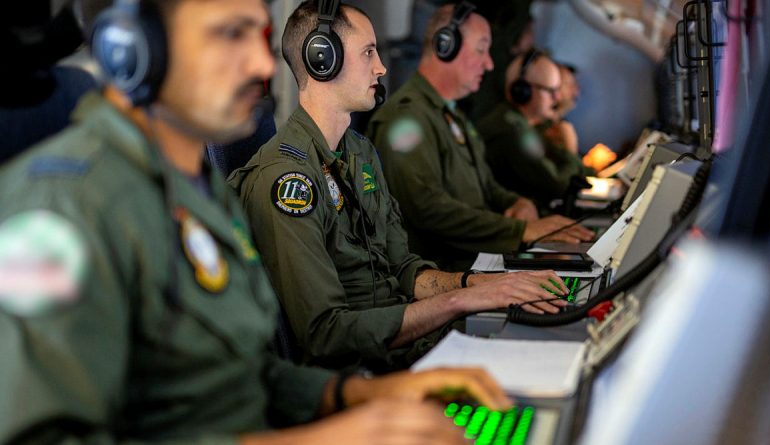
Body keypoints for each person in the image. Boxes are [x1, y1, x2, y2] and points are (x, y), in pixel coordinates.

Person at [0, 0, 513, 443]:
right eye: (230, 34)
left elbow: (245, 373)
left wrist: (360, 394)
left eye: (262, 35)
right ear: (133, 49)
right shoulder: (60, 208)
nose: (260, 64)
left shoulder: (197, 191)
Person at [229, 0, 570, 372]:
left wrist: (478, 285)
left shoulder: (359, 153)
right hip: (367, 375)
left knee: (558, 349)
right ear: (322, 59)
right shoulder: (287, 182)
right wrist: (459, 302)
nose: (382, 67)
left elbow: (403, 269)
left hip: (408, 348)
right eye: (368, 52)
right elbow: (327, 335)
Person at [366, 2, 594, 271]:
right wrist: (520, 230)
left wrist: (516, 202)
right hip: (442, 276)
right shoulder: (406, 119)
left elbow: (486, 185)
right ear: (445, 47)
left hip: (475, 262)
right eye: (481, 50)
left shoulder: (453, 115)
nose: (489, 64)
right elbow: (427, 209)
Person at [477, 50, 588, 206]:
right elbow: (557, 185)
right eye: (551, 91)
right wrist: (570, 149)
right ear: (523, 91)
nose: (557, 98)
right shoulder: (513, 132)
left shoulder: (520, 123)